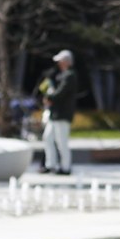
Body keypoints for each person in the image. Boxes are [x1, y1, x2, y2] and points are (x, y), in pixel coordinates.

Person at [40, 49, 79, 177]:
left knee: (62, 141)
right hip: (54, 113)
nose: (58, 63)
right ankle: (50, 165)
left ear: (66, 62)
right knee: (48, 138)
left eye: (60, 61)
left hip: (63, 114)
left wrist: (50, 98)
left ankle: (65, 167)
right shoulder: (60, 75)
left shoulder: (69, 76)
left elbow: (62, 92)